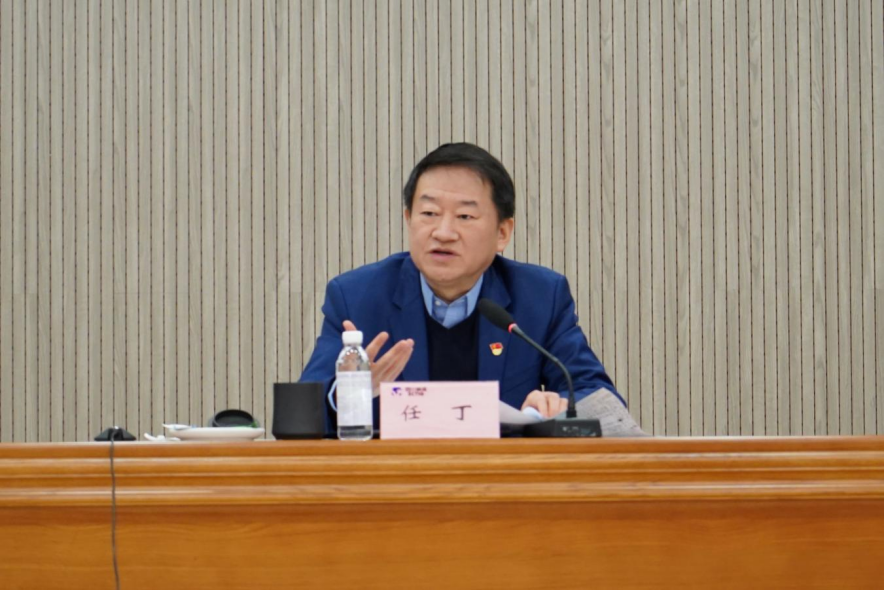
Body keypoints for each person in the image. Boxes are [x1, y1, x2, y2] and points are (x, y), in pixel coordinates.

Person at [299, 142, 622, 431]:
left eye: (465, 216)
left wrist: (558, 407)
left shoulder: (539, 297)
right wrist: (347, 394)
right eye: (429, 213)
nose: (443, 232)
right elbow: (303, 412)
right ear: (408, 219)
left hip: (500, 476)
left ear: (502, 233)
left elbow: (596, 396)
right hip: (396, 476)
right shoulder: (356, 296)